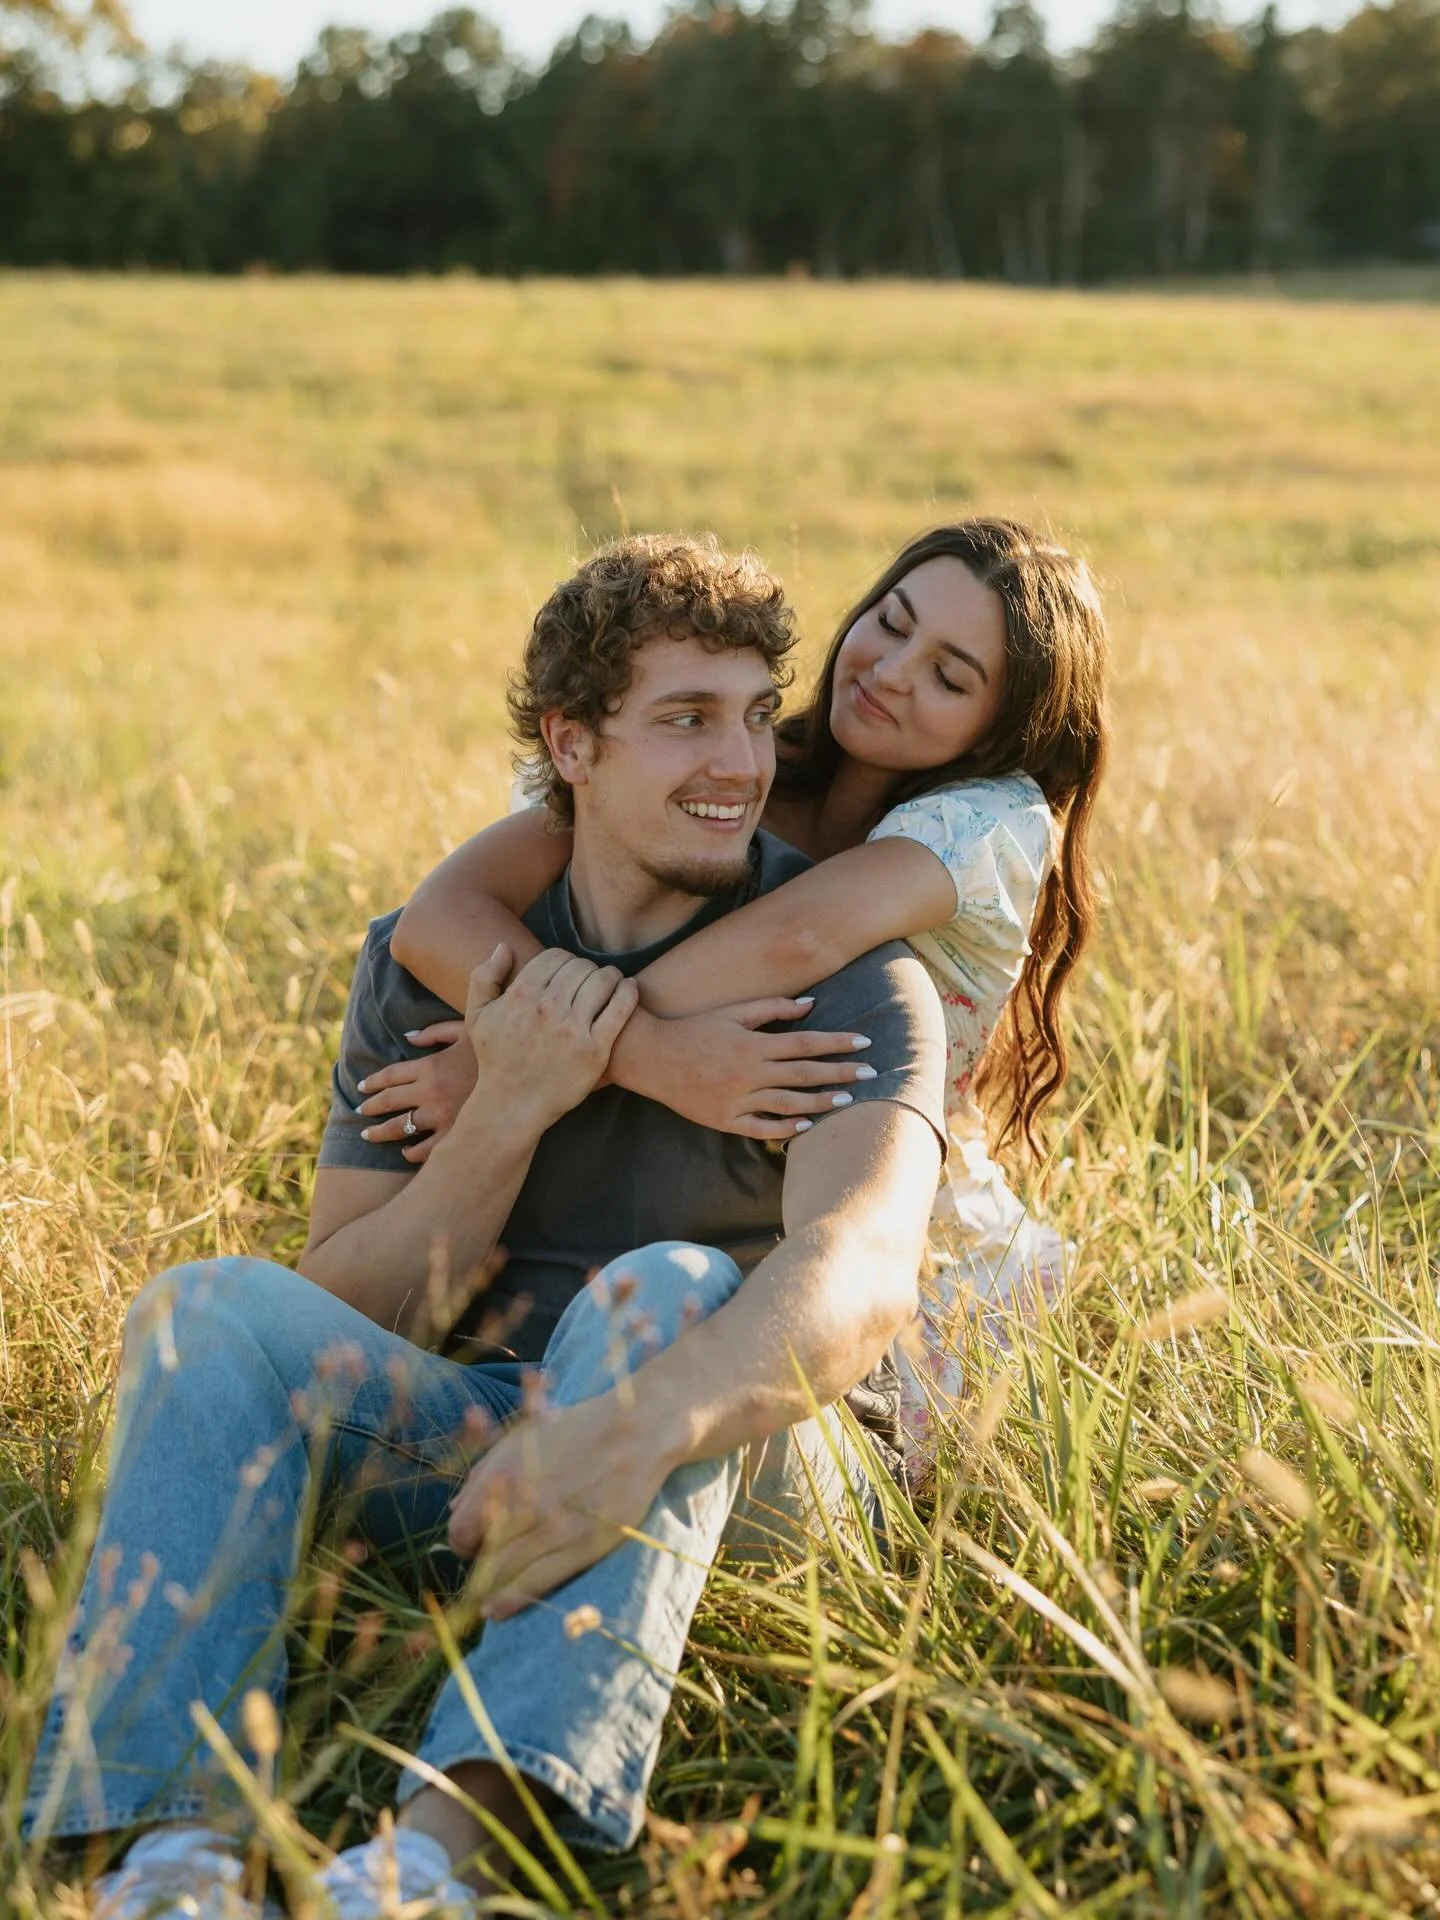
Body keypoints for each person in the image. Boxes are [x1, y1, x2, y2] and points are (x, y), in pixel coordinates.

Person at [25, 535, 949, 1919]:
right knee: (203, 1309)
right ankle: (175, 1863)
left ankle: (427, 1870)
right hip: (472, 1449)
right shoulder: (436, 955)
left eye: (757, 717)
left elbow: (861, 1274)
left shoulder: (852, 977)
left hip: (745, 1458)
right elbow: (351, 1306)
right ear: (571, 745)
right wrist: (506, 1106)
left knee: (668, 1286)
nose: (741, 765)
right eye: (685, 720)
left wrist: (631, 1431)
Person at [353, 520, 1110, 1467]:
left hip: (881, 1216)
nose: (890, 671)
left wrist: (547, 1048)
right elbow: (438, 916)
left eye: (950, 677)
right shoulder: (731, 764)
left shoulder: (983, 823)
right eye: (892, 621)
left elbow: (803, 932)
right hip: (675, 1184)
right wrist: (600, 1053)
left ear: (1003, 729)